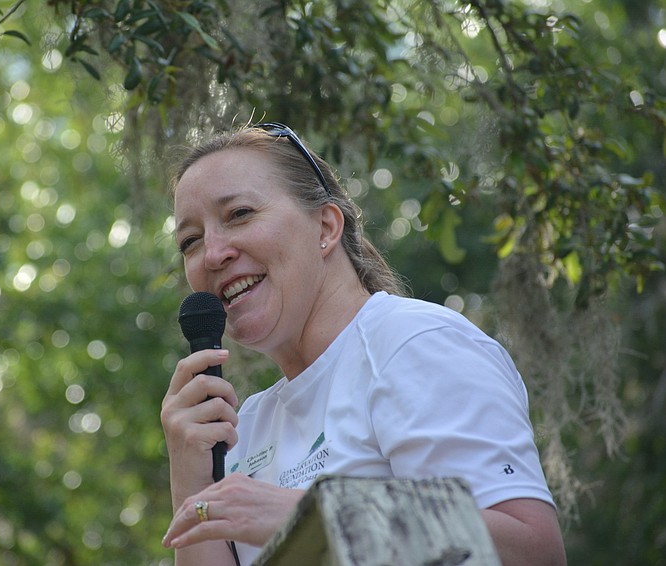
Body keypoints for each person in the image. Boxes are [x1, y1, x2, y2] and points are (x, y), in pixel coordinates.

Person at [160, 122, 566, 566]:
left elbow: (534, 550)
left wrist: (315, 516)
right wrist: (191, 484)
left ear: (325, 227)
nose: (214, 254)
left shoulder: (413, 345)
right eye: (190, 241)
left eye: (239, 214)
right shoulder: (246, 425)